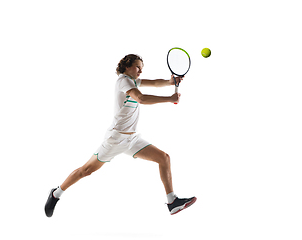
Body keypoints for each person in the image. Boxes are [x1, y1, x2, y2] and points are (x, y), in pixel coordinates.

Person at [45, 54, 196, 217]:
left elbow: (153, 83)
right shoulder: (123, 81)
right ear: (126, 66)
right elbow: (141, 98)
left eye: (142, 68)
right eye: (137, 67)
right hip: (116, 139)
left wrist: (170, 82)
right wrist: (169, 98)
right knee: (86, 170)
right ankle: (56, 193)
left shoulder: (133, 81)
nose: (140, 71)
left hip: (132, 139)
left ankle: (172, 201)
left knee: (164, 158)